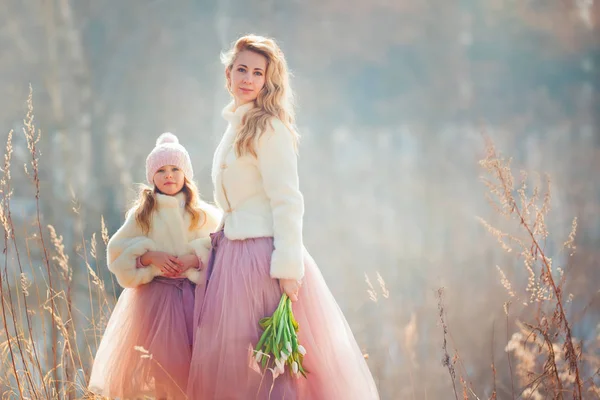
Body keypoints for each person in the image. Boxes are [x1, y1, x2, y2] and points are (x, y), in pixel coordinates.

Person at [187, 34, 380, 399]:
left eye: (257, 73)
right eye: (241, 69)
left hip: (262, 258)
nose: (247, 78)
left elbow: (288, 201)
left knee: (270, 362)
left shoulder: (269, 128)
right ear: (228, 75)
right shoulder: (235, 127)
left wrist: (289, 269)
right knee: (231, 359)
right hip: (229, 255)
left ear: (267, 81)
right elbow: (234, 203)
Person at [88, 133, 220, 399]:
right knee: (161, 370)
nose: (168, 175)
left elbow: (219, 247)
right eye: (161, 170)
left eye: (175, 169)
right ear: (152, 177)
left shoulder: (204, 213)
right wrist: (149, 257)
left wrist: (195, 257)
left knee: (198, 367)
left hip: (197, 299)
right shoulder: (142, 214)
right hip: (155, 301)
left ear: (186, 175)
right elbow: (117, 253)